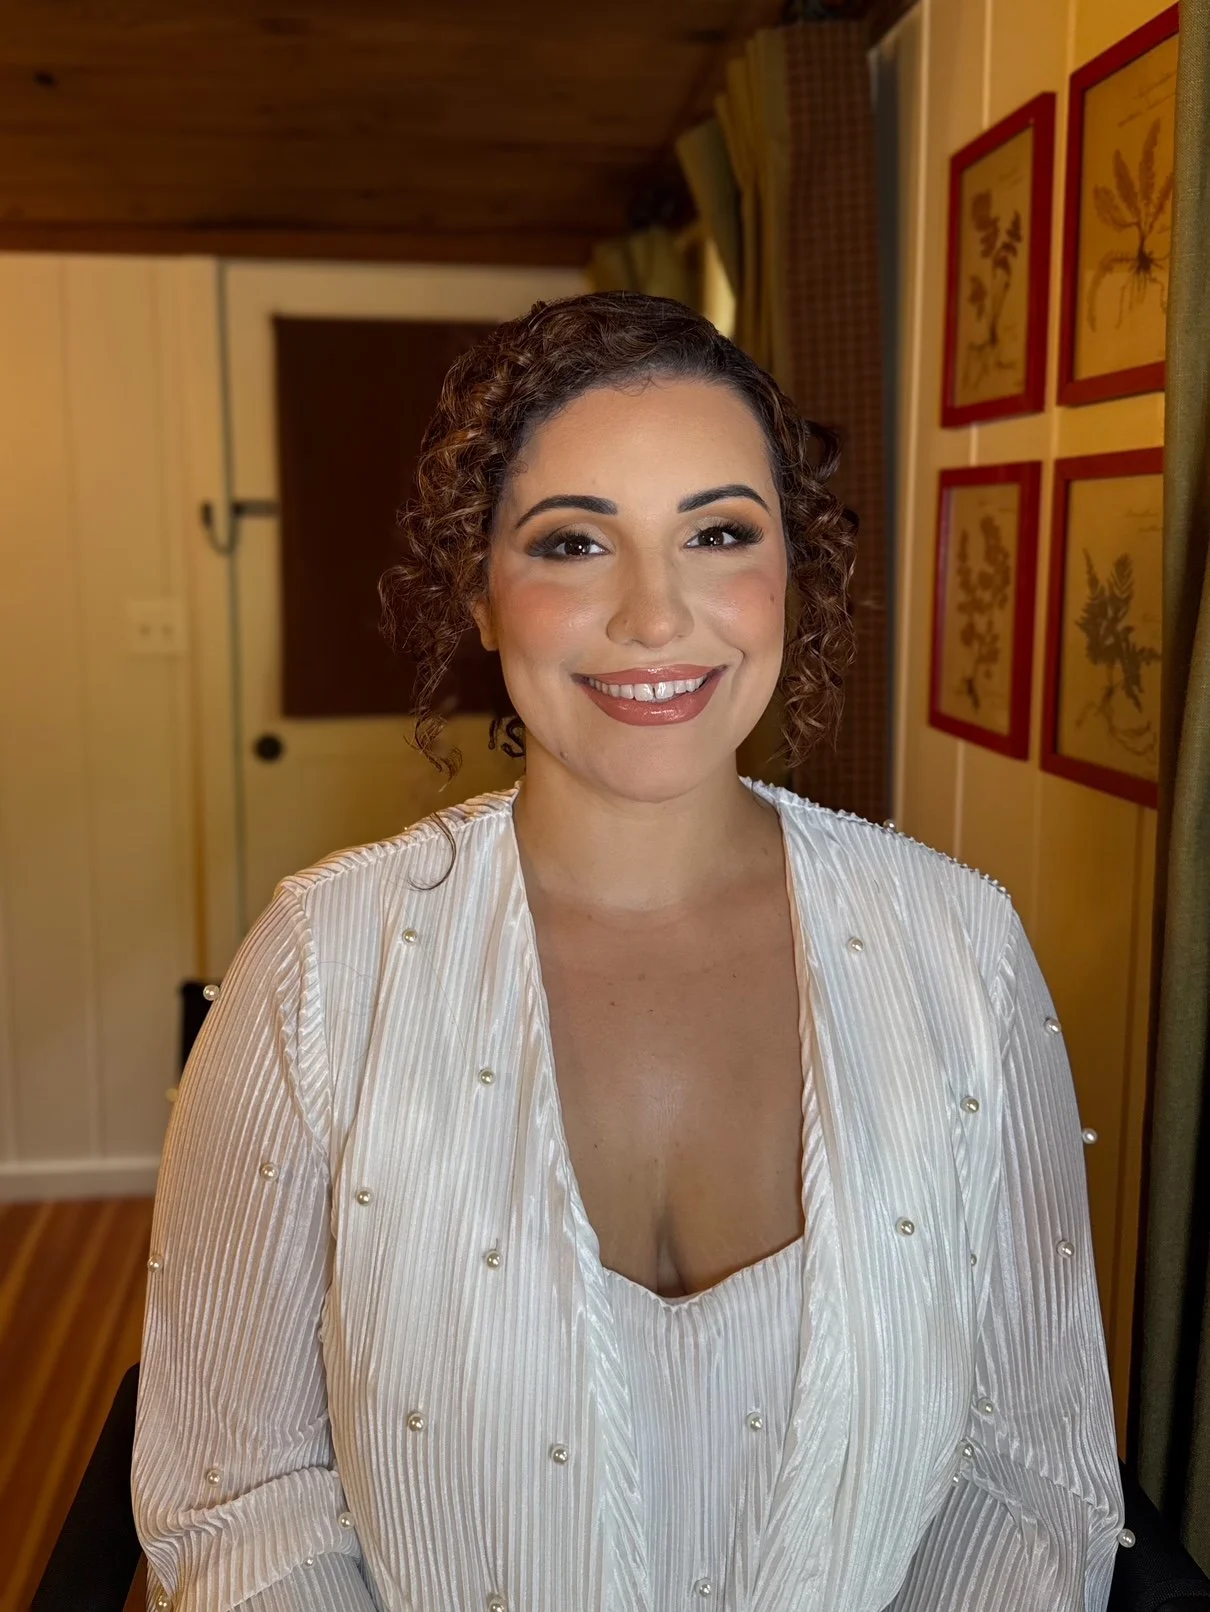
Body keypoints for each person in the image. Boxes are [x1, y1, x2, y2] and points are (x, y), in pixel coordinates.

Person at [132, 291, 1127, 1612]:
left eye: (717, 532)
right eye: (572, 544)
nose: (656, 618)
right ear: (479, 596)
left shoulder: (961, 952)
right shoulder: (321, 973)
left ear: (790, 575)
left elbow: (1027, 1468)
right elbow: (237, 1497)